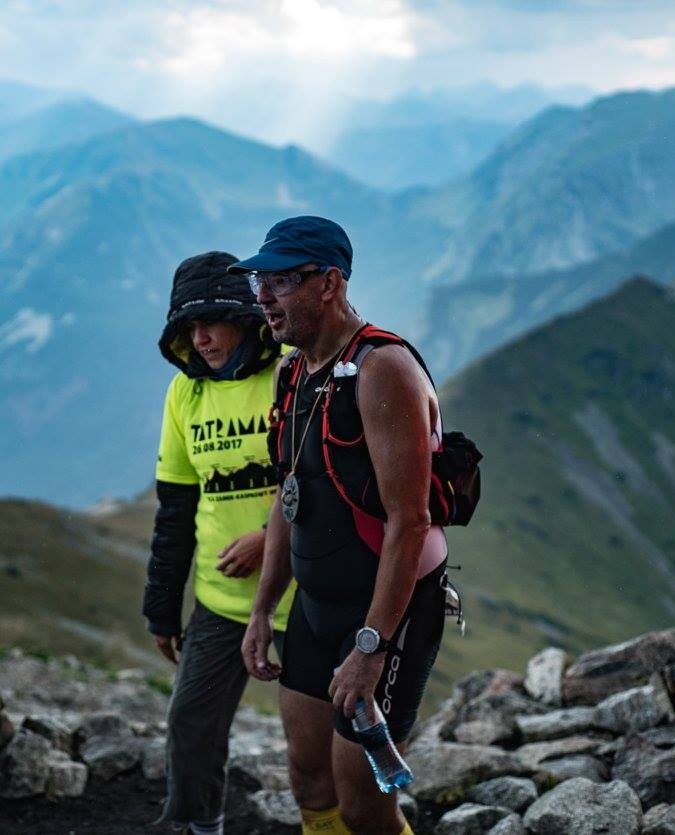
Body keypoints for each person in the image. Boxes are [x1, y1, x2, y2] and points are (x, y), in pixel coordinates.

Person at [238, 217, 448, 835]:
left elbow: (411, 521)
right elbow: (290, 496)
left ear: (329, 283)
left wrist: (371, 648)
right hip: (315, 606)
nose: (263, 298)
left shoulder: (384, 368)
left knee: (364, 806)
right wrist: (262, 608)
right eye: (258, 281)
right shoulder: (292, 372)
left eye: (280, 281)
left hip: (387, 614)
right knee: (308, 778)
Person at [144, 251, 297, 835]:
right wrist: (162, 607)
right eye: (188, 327)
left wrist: (270, 538)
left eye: (211, 322)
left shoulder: (290, 373)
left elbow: (330, 483)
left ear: (244, 318)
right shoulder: (184, 395)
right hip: (222, 601)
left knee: (318, 739)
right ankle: (199, 827)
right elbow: (175, 510)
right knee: (191, 725)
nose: (200, 338)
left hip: (304, 597)